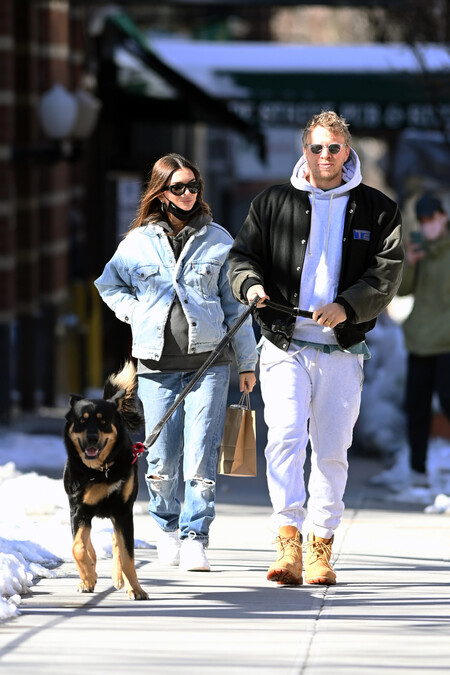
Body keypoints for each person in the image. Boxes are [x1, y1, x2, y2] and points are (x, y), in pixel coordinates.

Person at [228, 110, 403, 586]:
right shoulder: (272, 202)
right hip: (284, 343)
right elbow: (242, 257)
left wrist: (348, 306)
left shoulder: (378, 208)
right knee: (284, 436)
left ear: (348, 150)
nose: (325, 156)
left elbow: (387, 272)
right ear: (304, 150)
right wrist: (251, 286)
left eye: (334, 147)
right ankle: (288, 541)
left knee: (331, 450)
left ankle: (321, 545)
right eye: (316, 147)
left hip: (342, 350)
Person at [95, 153, 257, 572]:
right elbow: (108, 284)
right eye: (179, 188)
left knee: (201, 453)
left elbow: (233, 303)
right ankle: (166, 528)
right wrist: (136, 312)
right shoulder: (136, 243)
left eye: (193, 187)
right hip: (156, 365)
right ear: (161, 192)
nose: (188, 195)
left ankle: (195, 537)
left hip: (209, 364)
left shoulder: (219, 240)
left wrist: (247, 363)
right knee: (162, 459)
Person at [397, 192, 450, 486]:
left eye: (433, 218)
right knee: (416, 406)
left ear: (443, 216)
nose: (429, 224)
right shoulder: (416, 245)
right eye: (424, 219)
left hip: (447, 341)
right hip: (420, 339)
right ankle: (418, 470)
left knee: (448, 402)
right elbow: (402, 291)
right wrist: (412, 263)